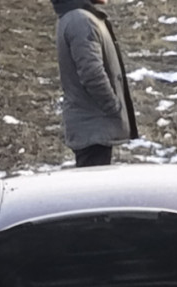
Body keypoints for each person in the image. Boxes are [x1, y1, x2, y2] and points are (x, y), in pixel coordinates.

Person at [51, 0, 138, 167]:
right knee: (93, 190)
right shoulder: (81, 21)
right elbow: (92, 74)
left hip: (93, 127)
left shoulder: (77, 17)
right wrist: (113, 106)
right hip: (93, 127)